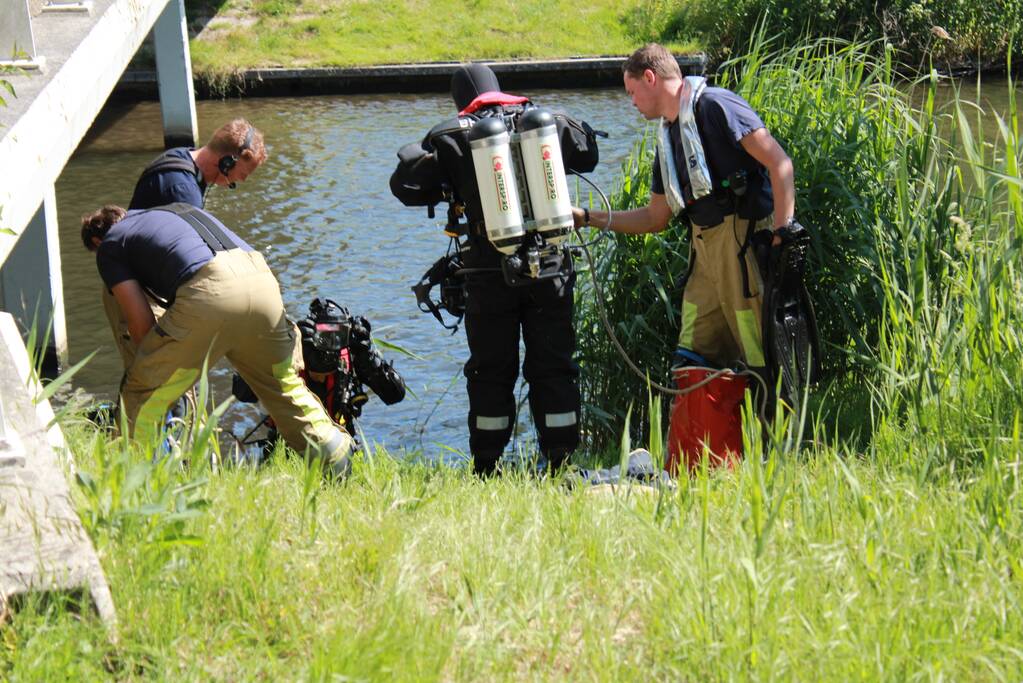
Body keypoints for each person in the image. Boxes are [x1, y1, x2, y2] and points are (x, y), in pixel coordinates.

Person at [390, 64, 600, 475]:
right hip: (551, 266)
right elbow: (590, 155)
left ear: (461, 100)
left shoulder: (451, 134)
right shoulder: (547, 121)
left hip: (489, 273)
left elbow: (405, 187)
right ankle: (561, 463)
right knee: (555, 365)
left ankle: (487, 465)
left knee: (490, 370)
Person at [81, 203, 354, 478]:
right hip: (261, 280)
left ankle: (136, 482)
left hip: (211, 291)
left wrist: (154, 367)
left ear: (96, 241)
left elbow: (141, 326)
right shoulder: (171, 213)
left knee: (142, 393)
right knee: (283, 387)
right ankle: (341, 465)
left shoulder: (111, 247)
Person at [572, 43, 796, 373]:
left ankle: (777, 421)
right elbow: (654, 217)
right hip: (703, 254)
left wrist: (783, 232)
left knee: (760, 355)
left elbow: (780, 163)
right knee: (691, 358)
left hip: (742, 244)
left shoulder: (716, 105)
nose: (631, 102)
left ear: (650, 77)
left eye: (632, 92)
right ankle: (707, 425)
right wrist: (588, 218)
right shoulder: (667, 138)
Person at [104, 119, 269, 376]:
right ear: (227, 162)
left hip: (137, 281)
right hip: (138, 291)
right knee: (152, 375)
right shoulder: (182, 193)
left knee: (161, 378)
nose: (235, 184)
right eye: (239, 177)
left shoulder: (179, 159)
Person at [129, 118, 267, 210]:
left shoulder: (178, 155)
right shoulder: (184, 193)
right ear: (227, 163)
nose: (242, 180)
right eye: (243, 174)